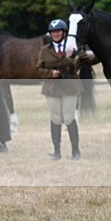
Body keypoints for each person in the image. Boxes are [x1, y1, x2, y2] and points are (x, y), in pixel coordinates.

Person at [36, 19, 83, 160]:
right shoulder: (45, 50)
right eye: (53, 32)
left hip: (69, 86)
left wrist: (75, 58)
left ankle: (75, 150)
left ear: (64, 33)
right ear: (50, 34)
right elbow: (38, 68)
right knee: (56, 118)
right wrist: (51, 73)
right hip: (52, 87)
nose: (56, 34)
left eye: (58, 31)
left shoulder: (72, 47)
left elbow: (83, 60)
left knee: (69, 118)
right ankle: (57, 151)